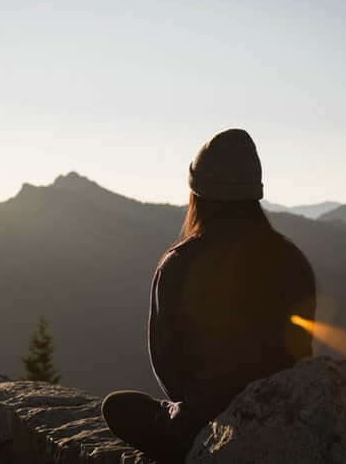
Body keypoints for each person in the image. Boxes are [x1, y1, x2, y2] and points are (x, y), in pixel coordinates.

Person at [101, 129, 316, 463]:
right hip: (282, 417)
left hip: (205, 425)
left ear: (197, 195)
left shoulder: (179, 265)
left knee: (118, 407)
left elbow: (168, 367)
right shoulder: (292, 261)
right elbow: (301, 352)